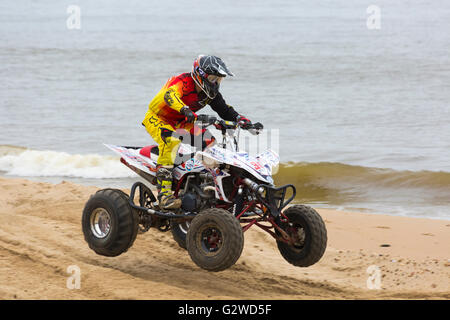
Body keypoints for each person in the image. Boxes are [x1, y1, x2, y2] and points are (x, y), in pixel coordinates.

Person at [142, 55, 253, 209]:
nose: (216, 83)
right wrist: (185, 110)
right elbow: (170, 95)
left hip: (183, 122)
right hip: (159, 118)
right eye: (213, 78)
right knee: (171, 142)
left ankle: (204, 186)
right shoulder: (184, 82)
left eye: (219, 80)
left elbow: (224, 110)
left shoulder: (210, 95)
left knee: (211, 145)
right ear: (200, 75)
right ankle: (164, 195)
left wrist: (243, 120)